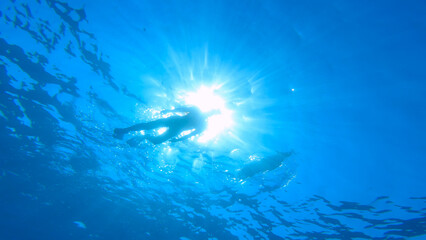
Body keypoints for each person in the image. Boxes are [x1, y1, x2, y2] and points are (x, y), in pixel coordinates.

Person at [114, 106, 215, 145]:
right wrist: (169, 110)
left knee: (156, 141)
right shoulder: (197, 110)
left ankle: (144, 136)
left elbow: (192, 134)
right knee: (147, 126)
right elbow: (181, 109)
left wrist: (178, 139)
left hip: (176, 129)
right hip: (173, 121)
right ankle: (123, 130)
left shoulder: (203, 125)